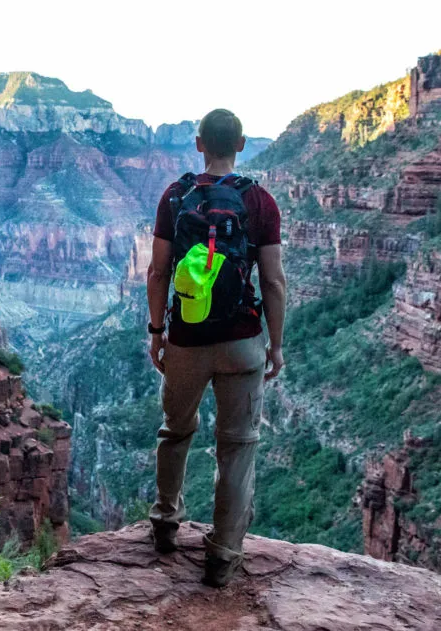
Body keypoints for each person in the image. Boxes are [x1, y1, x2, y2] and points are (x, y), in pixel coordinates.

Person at [145, 109, 287, 588]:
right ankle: (223, 554)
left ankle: (166, 522)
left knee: (175, 431)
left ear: (199, 143)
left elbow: (158, 272)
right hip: (242, 341)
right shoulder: (260, 201)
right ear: (242, 144)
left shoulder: (175, 195)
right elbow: (273, 281)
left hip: (186, 339)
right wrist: (276, 346)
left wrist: (157, 332)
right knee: (237, 447)